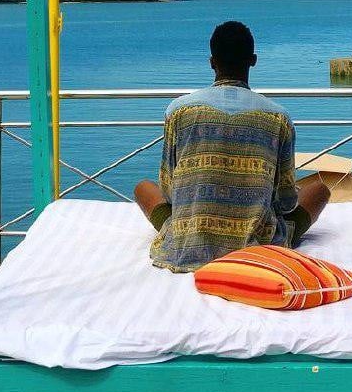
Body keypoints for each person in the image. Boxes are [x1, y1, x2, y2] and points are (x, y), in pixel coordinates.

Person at [134, 20, 330, 272]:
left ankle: (187, 234)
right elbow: (286, 201)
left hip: (187, 243)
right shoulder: (278, 117)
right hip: (257, 246)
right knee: (320, 190)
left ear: (212, 62)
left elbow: (170, 192)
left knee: (143, 187)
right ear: (253, 60)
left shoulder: (178, 110)